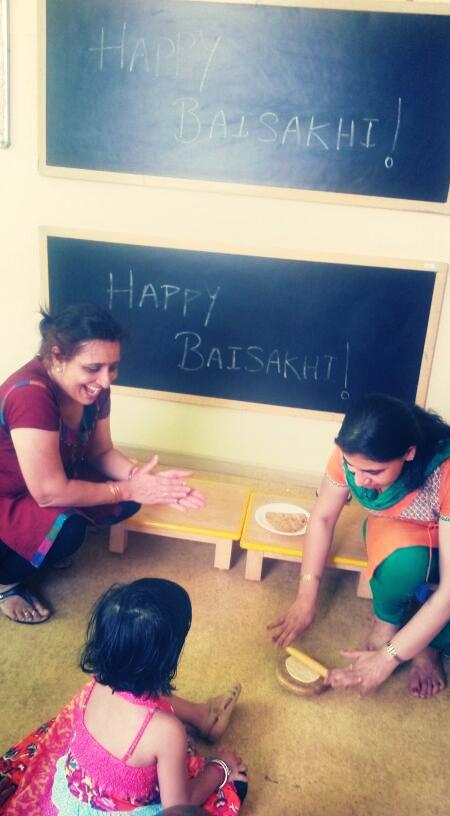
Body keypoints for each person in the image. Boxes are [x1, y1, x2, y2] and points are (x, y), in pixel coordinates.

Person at [0, 303, 205, 624]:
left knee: (130, 499)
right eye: (94, 368)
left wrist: (145, 481)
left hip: (47, 482)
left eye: (113, 367)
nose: (106, 380)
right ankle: (6, 582)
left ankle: (38, 547)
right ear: (57, 356)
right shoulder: (30, 395)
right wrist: (126, 489)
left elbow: (100, 452)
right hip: (10, 496)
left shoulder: (93, 389)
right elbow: (49, 492)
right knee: (69, 529)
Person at [0, 577, 248, 815]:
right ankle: (205, 723)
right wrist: (220, 767)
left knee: (138, 691)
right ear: (167, 657)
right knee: (226, 792)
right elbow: (178, 807)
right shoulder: (167, 732)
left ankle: (203, 716)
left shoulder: (98, 682)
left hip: (69, 796)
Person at [268, 394, 450, 698]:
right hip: (403, 531)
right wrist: (306, 596)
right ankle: (387, 622)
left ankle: (427, 645)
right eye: (352, 467)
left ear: (408, 453)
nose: (358, 481)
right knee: (405, 563)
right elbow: (322, 519)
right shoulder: (351, 455)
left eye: (373, 472)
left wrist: (387, 658)